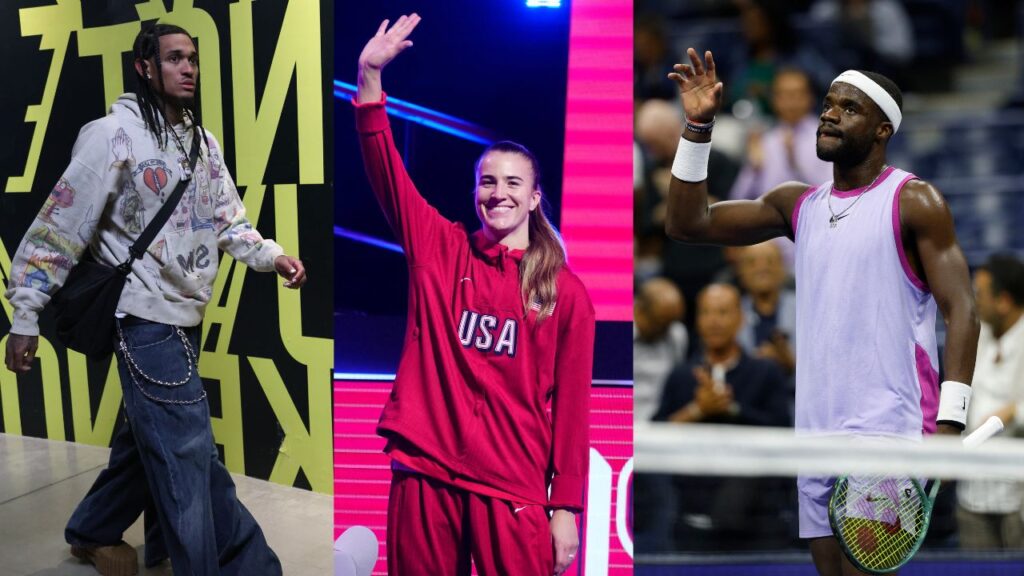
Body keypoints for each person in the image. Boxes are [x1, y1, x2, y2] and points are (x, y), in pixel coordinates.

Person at [4, 23, 305, 576]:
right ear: (144, 67)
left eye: (192, 58)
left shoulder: (200, 141)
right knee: (190, 459)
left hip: (185, 313)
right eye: (174, 58)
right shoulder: (111, 135)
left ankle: (92, 530)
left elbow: (227, 220)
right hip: (142, 316)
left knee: (147, 445)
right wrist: (24, 316)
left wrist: (271, 255)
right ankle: (249, 567)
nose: (188, 68)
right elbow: (59, 227)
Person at [664, 47, 978, 576]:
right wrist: (697, 127)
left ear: (882, 130)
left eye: (849, 107)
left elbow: (962, 309)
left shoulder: (914, 200)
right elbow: (687, 222)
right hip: (813, 430)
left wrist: (951, 421)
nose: (830, 113)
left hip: (886, 429)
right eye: (829, 103)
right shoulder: (797, 203)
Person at [355, 14, 595, 576]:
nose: (499, 193)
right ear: (475, 191)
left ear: (536, 198)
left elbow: (575, 414)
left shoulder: (566, 293)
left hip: (512, 483)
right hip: (426, 469)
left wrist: (566, 506)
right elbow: (386, 170)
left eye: (514, 183)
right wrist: (369, 79)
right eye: (488, 181)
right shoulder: (441, 248)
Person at [653, 283, 791, 551]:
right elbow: (655, 438)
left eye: (723, 312)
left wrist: (732, 408)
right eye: (706, 313)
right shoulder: (681, 376)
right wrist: (697, 410)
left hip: (758, 525)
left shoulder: (765, 372)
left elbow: (782, 435)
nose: (714, 321)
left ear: (740, 318)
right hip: (690, 520)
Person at [957, 254, 1024, 549]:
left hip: (1017, 501)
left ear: (1004, 301)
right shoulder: (977, 333)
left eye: (980, 294)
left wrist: (1013, 411)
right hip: (972, 495)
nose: (975, 301)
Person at [735, 241, 796, 375]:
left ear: (783, 268)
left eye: (769, 261)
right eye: (752, 263)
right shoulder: (732, 312)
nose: (762, 268)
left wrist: (789, 362)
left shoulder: (803, 309)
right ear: (741, 272)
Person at [634, 277, 688, 424]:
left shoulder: (677, 334)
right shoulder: (616, 334)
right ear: (639, 310)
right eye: (660, 323)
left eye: (669, 324)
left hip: (662, 424)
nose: (665, 330)